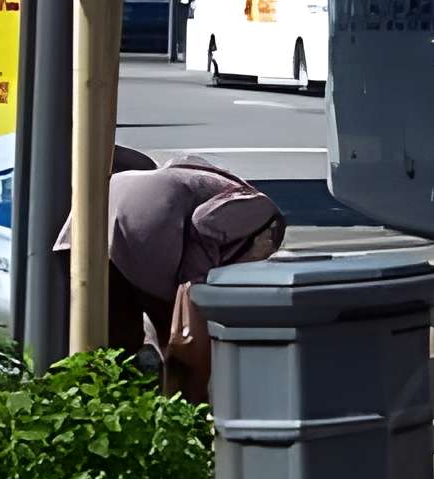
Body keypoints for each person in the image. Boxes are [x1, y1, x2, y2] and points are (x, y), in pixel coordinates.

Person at [55, 153, 286, 402]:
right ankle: (179, 408)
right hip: (145, 222)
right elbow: (205, 224)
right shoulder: (261, 210)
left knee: (112, 343)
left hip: (91, 217)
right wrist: (194, 281)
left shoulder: (202, 180)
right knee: (177, 336)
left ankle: (104, 410)